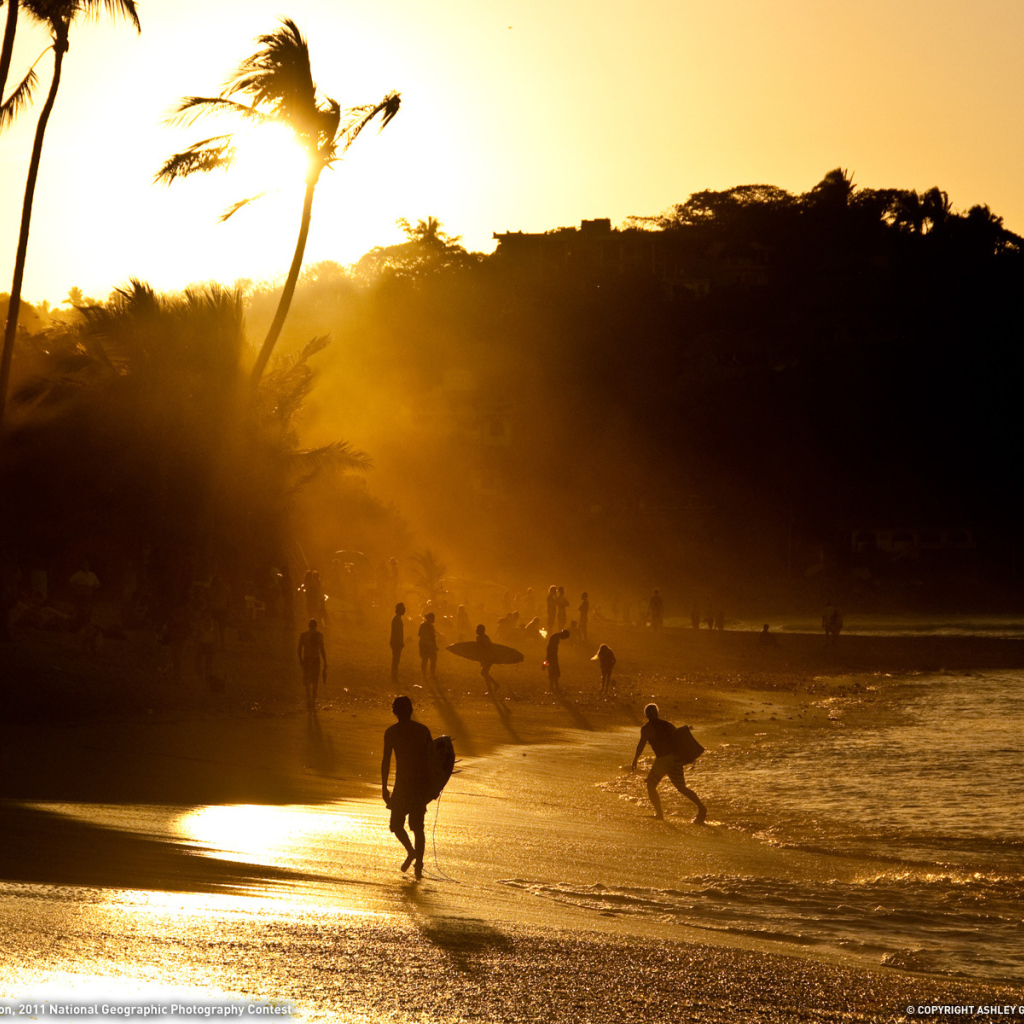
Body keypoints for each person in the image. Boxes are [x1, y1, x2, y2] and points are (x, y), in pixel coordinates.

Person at [381, 695, 432, 880]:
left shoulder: (392, 732)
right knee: (417, 828)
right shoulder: (422, 731)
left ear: (395, 711)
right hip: (419, 786)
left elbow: (386, 761)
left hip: (403, 786)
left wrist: (384, 787)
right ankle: (417, 861)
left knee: (397, 826)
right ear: (410, 710)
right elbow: (433, 760)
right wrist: (433, 787)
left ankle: (414, 857)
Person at [631, 703, 706, 824]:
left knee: (651, 785)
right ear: (657, 713)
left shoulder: (646, 728)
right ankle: (701, 807)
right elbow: (679, 740)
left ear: (646, 715)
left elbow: (641, 745)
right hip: (675, 759)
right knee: (681, 787)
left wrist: (635, 760)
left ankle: (659, 814)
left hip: (663, 760)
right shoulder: (668, 725)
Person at [298, 618, 327, 711]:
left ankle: (308, 701)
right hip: (315, 660)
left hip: (306, 659)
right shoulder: (319, 635)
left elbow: (299, 649)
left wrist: (300, 660)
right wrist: (325, 661)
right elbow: (322, 650)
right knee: (315, 682)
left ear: (308, 626)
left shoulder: (303, 635)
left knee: (306, 681)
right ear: (316, 626)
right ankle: (313, 702)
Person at [418, 611, 438, 679]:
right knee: (433, 660)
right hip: (429, 645)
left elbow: (419, 634)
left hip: (422, 644)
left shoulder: (422, 624)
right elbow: (432, 637)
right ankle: (432, 675)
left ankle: (424, 675)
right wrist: (435, 646)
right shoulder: (430, 626)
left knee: (424, 660)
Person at [390, 603, 405, 683]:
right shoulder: (397, 619)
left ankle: (394, 676)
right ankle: (394, 677)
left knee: (396, 660)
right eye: (403, 609)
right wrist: (400, 642)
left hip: (396, 642)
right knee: (396, 660)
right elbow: (397, 633)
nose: (404, 610)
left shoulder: (397, 618)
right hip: (396, 642)